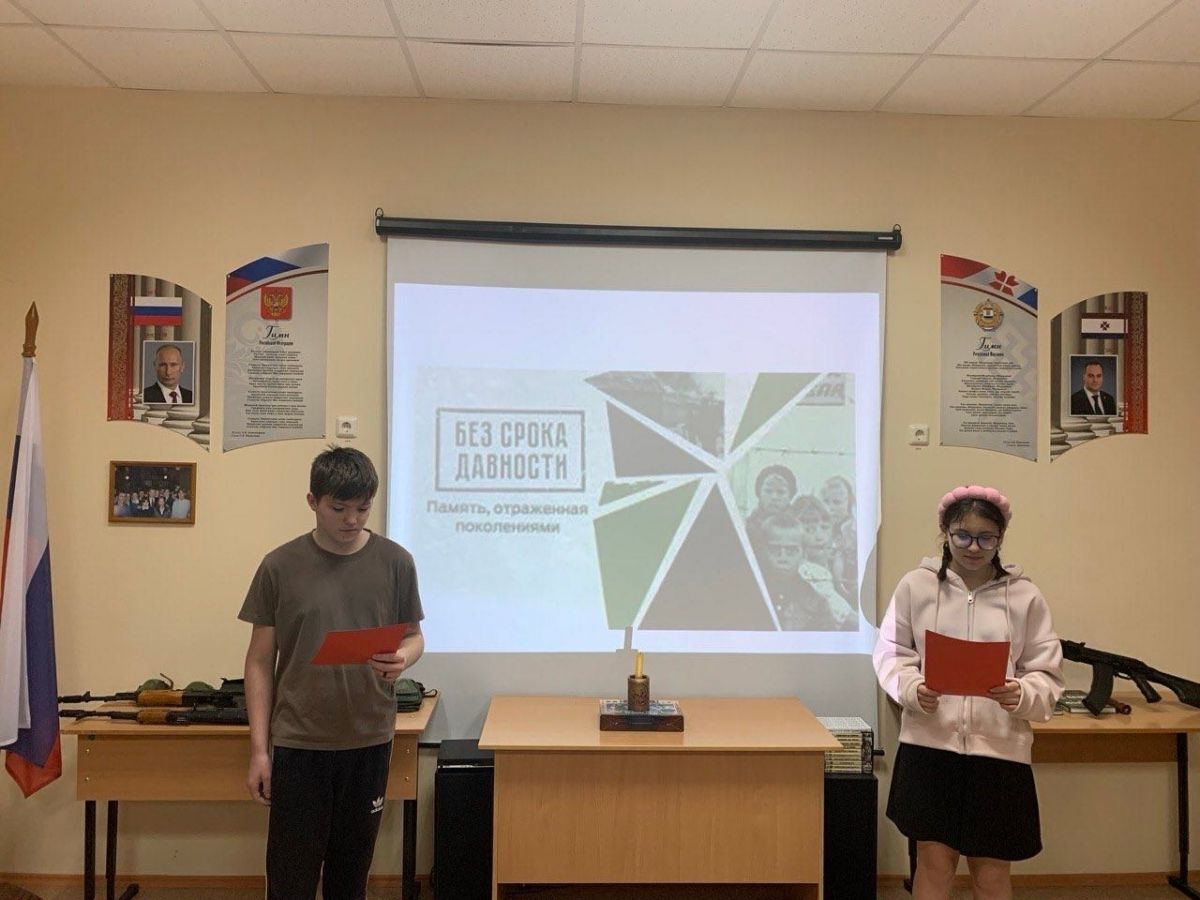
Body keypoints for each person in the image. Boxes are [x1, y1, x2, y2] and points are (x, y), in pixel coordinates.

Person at [239, 446, 425, 899]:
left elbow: (414, 637)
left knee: (350, 878)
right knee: (291, 879)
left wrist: (404, 658)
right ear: (312, 501)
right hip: (300, 743)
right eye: (338, 509)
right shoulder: (279, 566)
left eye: (362, 508)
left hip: (369, 740)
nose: (351, 520)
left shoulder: (396, 562)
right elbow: (259, 662)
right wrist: (260, 751)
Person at [873, 485, 1063, 900]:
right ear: (945, 533)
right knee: (933, 866)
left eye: (985, 538)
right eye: (962, 535)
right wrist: (911, 688)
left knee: (991, 875)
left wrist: (1022, 694)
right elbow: (890, 653)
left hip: (1000, 754)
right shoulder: (916, 586)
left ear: (1001, 538)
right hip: (930, 748)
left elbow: (1046, 672)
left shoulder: (1025, 596)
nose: (973, 547)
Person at [760, 513, 854, 631]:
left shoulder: (817, 603)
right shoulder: (752, 594)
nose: (783, 557)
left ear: (804, 553)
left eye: (791, 551)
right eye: (775, 550)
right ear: (763, 551)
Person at [745, 464, 797, 562]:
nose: (774, 497)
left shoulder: (799, 527)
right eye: (768, 491)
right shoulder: (745, 527)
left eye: (781, 492)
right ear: (758, 493)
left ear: (790, 496)